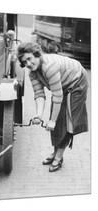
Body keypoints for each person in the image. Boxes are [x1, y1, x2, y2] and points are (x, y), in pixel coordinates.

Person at [16, 42, 89, 172]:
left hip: (77, 83)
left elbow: (57, 96)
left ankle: (59, 157)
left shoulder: (49, 67)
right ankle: (55, 152)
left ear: (37, 54)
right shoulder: (32, 73)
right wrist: (39, 115)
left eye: (29, 59)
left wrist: (53, 121)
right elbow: (39, 95)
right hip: (62, 87)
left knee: (66, 121)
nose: (27, 64)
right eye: (24, 62)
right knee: (54, 119)